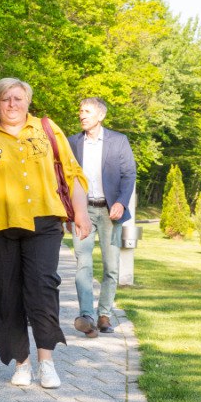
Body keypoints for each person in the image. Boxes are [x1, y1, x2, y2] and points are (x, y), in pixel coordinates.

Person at [0, 78, 91, 391]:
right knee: (7, 294)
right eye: (5, 99)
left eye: (18, 98)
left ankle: (47, 361)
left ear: (28, 101)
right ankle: (22, 362)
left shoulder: (46, 129)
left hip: (44, 220)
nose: (12, 104)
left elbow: (72, 174)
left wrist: (81, 213)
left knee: (43, 288)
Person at [68, 97, 136, 337]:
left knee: (111, 266)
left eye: (87, 111)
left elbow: (129, 174)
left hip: (110, 212)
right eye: (80, 111)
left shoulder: (119, 141)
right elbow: (65, 178)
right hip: (82, 210)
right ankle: (87, 315)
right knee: (83, 264)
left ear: (101, 115)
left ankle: (104, 314)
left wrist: (121, 202)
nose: (82, 115)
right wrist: (69, 213)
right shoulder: (72, 142)